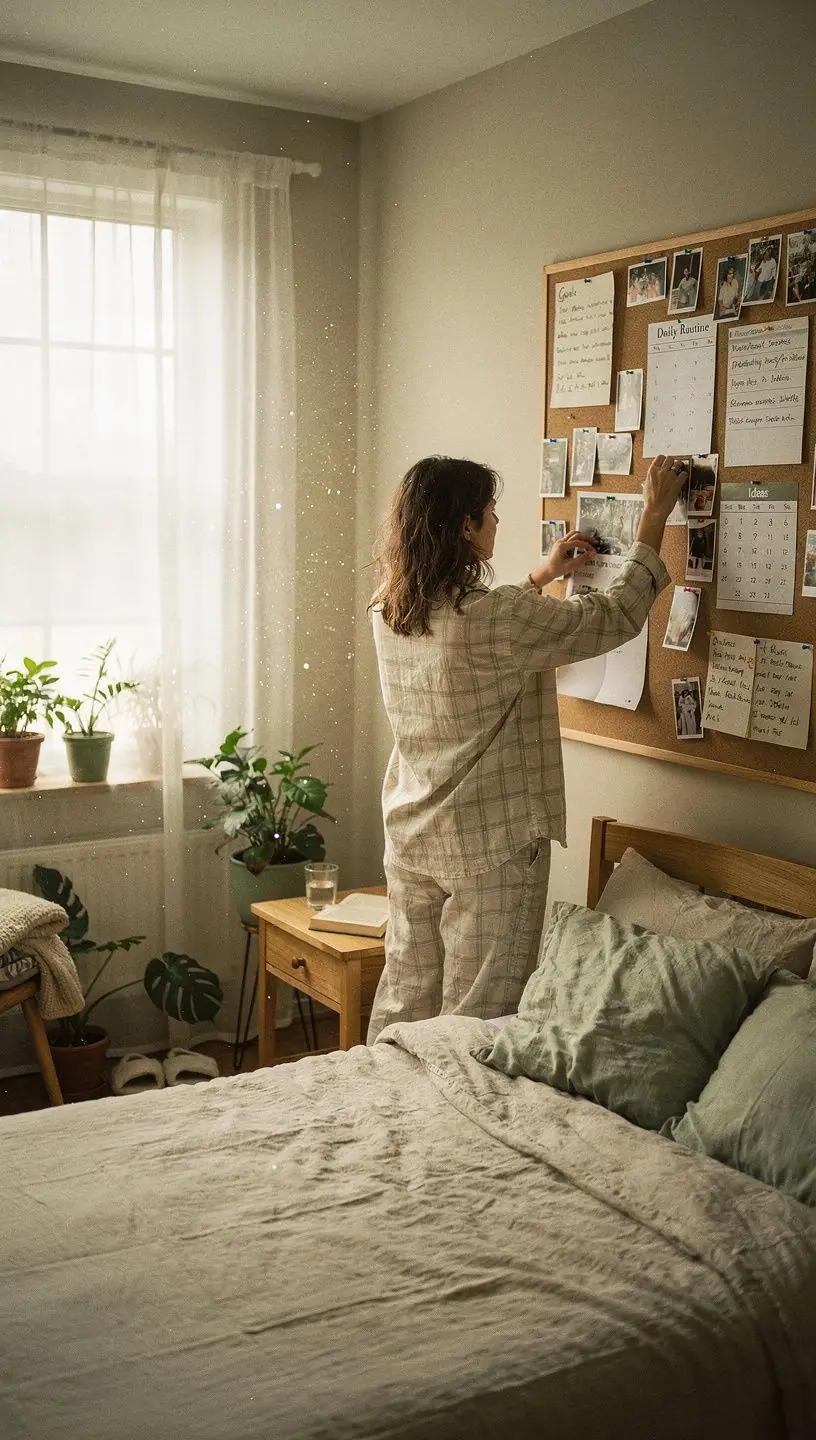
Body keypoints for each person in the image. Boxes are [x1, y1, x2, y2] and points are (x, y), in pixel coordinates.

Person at [365, 452, 685, 1042]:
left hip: (414, 833)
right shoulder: (498, 619)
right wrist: (654, 519)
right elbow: (612, 618)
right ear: (465, 525)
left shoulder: (391, 608)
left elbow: (474, 632)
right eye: (489, 512)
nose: (495, 523)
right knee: (477, 1021)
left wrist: (541, 578)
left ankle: (378, 1113)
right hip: (490, 842)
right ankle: (459, 1133)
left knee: (404, 1002)